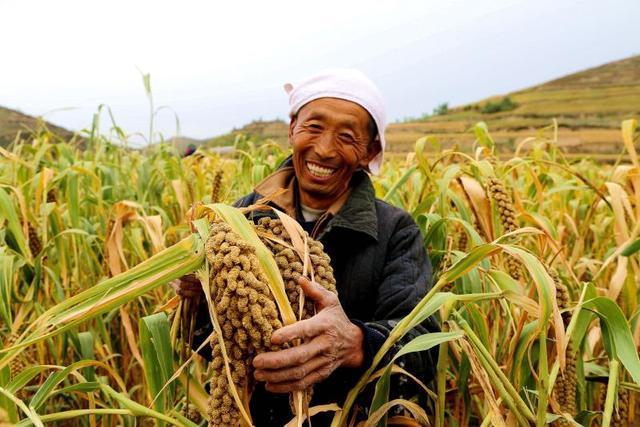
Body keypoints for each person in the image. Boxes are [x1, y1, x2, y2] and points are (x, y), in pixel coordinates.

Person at [177, 69, 439, 425]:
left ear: (370, 151)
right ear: (292, 130)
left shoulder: (395, 231)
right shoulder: (237, 219)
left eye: (347, 136)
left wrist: (356, 343)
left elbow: (424, 345)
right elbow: (211, 346)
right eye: (313, 127)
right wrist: (195, 299)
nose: (325, 149)